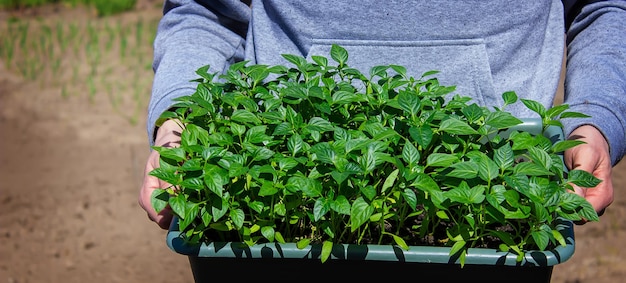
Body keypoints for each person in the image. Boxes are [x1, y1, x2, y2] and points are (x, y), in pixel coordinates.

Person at [139, 0, 626, 229]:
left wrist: (596, 116)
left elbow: (605, 6)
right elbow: (210, 10)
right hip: (286, 179)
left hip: (500, 192)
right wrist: (181, 118)